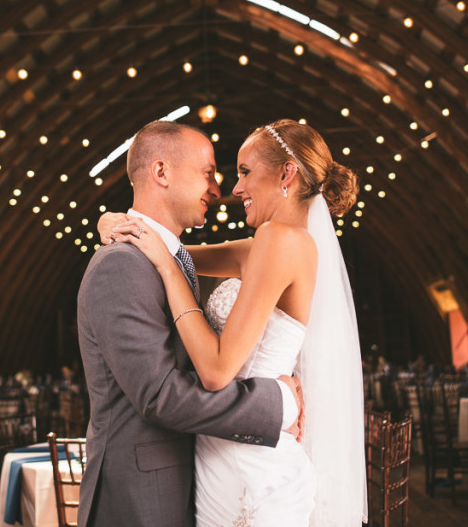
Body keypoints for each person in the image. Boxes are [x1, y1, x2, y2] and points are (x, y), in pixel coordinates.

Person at [101, 119, 368, 526]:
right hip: (223, 453)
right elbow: (171, 247)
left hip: (252, 467)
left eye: (245, 171)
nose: (235, 188)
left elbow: (217, 370)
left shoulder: (281, 242)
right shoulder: (267, 244)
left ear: (286, 173)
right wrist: (113, 221)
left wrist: (170, 275)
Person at [76, 120, 305, 527]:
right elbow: (160, 395)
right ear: (161, 172)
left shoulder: (169, 256)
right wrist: (277, 404)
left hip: (202, 477)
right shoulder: (121, 266)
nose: (220, 189)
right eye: (208, 173)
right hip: (141, 498)